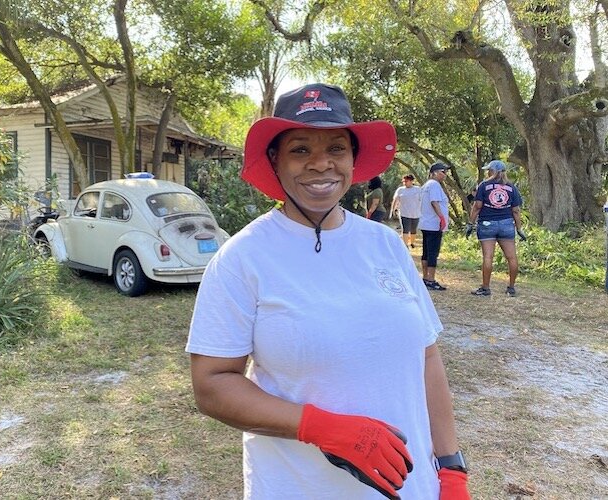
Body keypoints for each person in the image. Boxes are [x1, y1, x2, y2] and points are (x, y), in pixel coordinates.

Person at [186, 83, 470, 500]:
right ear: (275, 161)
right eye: (300, 149)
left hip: (413, 488)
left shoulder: (385, 244)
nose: (321, 165)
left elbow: (426, 358)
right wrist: (320, 428)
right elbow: (211, 383)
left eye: (336, 148)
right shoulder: (243, 257)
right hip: (297, 488)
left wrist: (451, 470)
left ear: (354, 161)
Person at [467, 159, 526, 297]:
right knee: (511, 257)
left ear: (492, 171)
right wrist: (519, 228)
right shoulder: (511, 187)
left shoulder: (484, 186)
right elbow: (516, 210)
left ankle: (486, 288)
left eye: (489, 170)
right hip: (506, 224)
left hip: (487, 224)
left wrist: (470, 223)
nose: (487, 172)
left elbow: (477, 207)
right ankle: (511, 288)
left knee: (488, 257)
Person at [419, 162, 450, 291]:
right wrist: (442, 218)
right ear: (435, 172)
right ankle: (431, 279)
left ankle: (425, 277)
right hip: (434, 223)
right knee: (433, 252)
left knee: (426, 251)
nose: (445, 175)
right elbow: (434, 202)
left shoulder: (426, 185)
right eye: (443, 172)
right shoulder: (435, 185)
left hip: (426, 223)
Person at [391, 174, 422, 249]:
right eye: (403, 181)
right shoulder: (400, 190)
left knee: (413, 230)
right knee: (405, 229)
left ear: (411, 181)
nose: (404, 183)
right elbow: (395, 200)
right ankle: (405, 245)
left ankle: (411, 242)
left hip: (416, 214)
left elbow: (423, 200)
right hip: (404, 213)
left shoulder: (418, 189)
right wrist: (393, 209)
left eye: (406, 181)